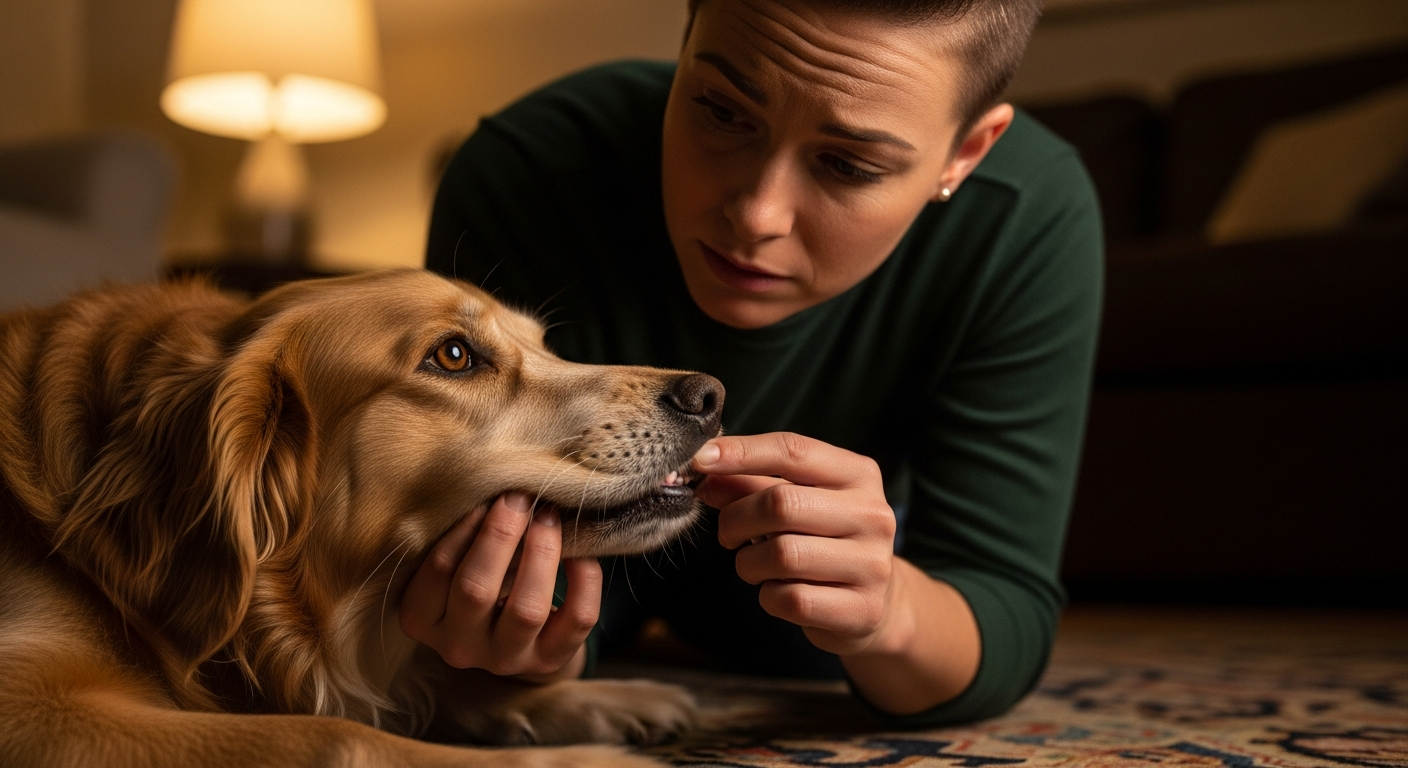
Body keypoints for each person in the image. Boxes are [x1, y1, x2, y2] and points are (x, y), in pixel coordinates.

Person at [405, 0, 1102, 724]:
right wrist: (525, 639)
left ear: (965, 155)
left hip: (816, 626)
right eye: (721, 111)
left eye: (848, 164)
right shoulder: (532, 163)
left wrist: (890, 608)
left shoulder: (1026, 214)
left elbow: (1000, 603)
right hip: (575, 583)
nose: (757, 215)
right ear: (685, 35)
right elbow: (459, 541)